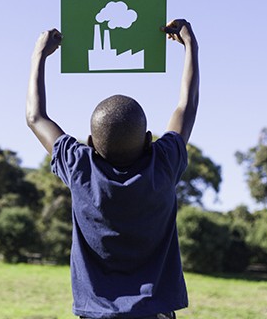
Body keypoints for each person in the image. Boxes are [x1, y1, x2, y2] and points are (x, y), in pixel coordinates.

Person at [26, 19, 199, 319]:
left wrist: (39, 55)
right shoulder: (164, 163)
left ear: (91, 142)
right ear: (148, 140)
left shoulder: (80, 166)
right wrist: (190, 47)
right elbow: (187, 107)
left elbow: (35, 117)